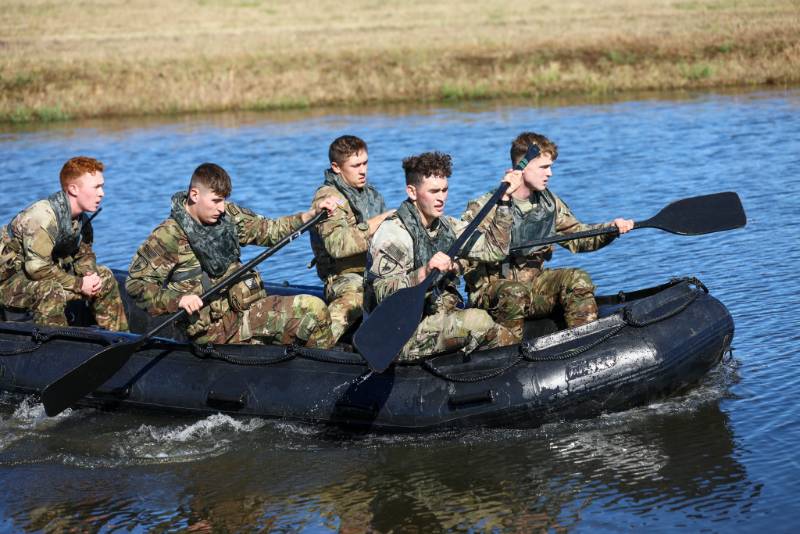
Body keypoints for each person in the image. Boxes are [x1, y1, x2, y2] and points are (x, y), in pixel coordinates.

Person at [125, 162, 339, 348]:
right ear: (194, 195)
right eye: (216, 201)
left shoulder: (229, 217)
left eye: (224, 200)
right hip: (213, 331)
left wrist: (308, 216)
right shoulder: (168, 235)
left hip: (244, 311)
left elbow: (269, 230)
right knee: (314, 309)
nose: (221, 208)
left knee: (309, 315)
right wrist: (179, 300)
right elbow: (136, 285)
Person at [461, 132, 634, 342]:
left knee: (577, 278)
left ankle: (584, 344)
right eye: (544, 167)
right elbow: (465, 259)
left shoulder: (549, 204)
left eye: (551, 167)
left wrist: (611, 229)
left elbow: (579, 238)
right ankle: (506, 353)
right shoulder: (484, 208)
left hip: (534, 288)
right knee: (513, 292)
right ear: (521, 167)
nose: (550, 173)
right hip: (492, 296)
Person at [364, 151, 522, 361]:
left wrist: (504, 201)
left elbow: (495, 250)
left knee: (507, 299)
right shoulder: (394, 235)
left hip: (434, 317)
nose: (441, 198)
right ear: (412, 192)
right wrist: (424, 272)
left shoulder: (447, 226)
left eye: (445, 190)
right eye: (433, 191)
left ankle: (511, 357)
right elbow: (381, 293)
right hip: (394, 336)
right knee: (477, 321)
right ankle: (516, 358)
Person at [0, 156, 128, 331]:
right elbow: (36, 269)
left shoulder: (81, 220)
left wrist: (89, 277)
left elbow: (84, 255)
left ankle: (119, 340)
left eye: (102, 186)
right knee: (50, 290)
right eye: (96, 187)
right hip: (9, 283)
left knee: (104, 277)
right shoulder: (43, 217)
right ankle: (56, 346)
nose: (102, 193)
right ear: (74, 189)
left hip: (44, 275)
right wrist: (79, 284)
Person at [309, 135, 394, 343]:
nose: (363, 170)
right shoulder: (328, 199)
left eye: (365, 163)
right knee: (355, 298)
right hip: (343, 278)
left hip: (374, 272)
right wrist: (379, 221)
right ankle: (318, 348)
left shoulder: (371, 195)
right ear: (336, 167)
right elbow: (338, 246)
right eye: (355, 165)